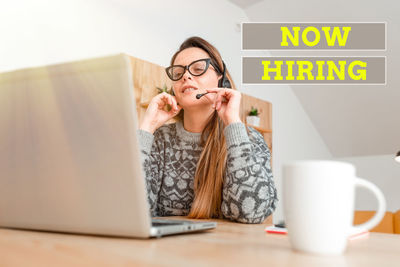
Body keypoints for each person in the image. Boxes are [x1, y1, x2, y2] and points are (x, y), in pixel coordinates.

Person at [138, 36, 277, 224]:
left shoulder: (249, 139)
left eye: (198, 69)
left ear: (222, 81)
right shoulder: (160, 140)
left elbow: (252, 212)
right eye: (178, 73)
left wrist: (233, 123)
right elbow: (132, 209)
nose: (186, 76)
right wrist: (147, 128)